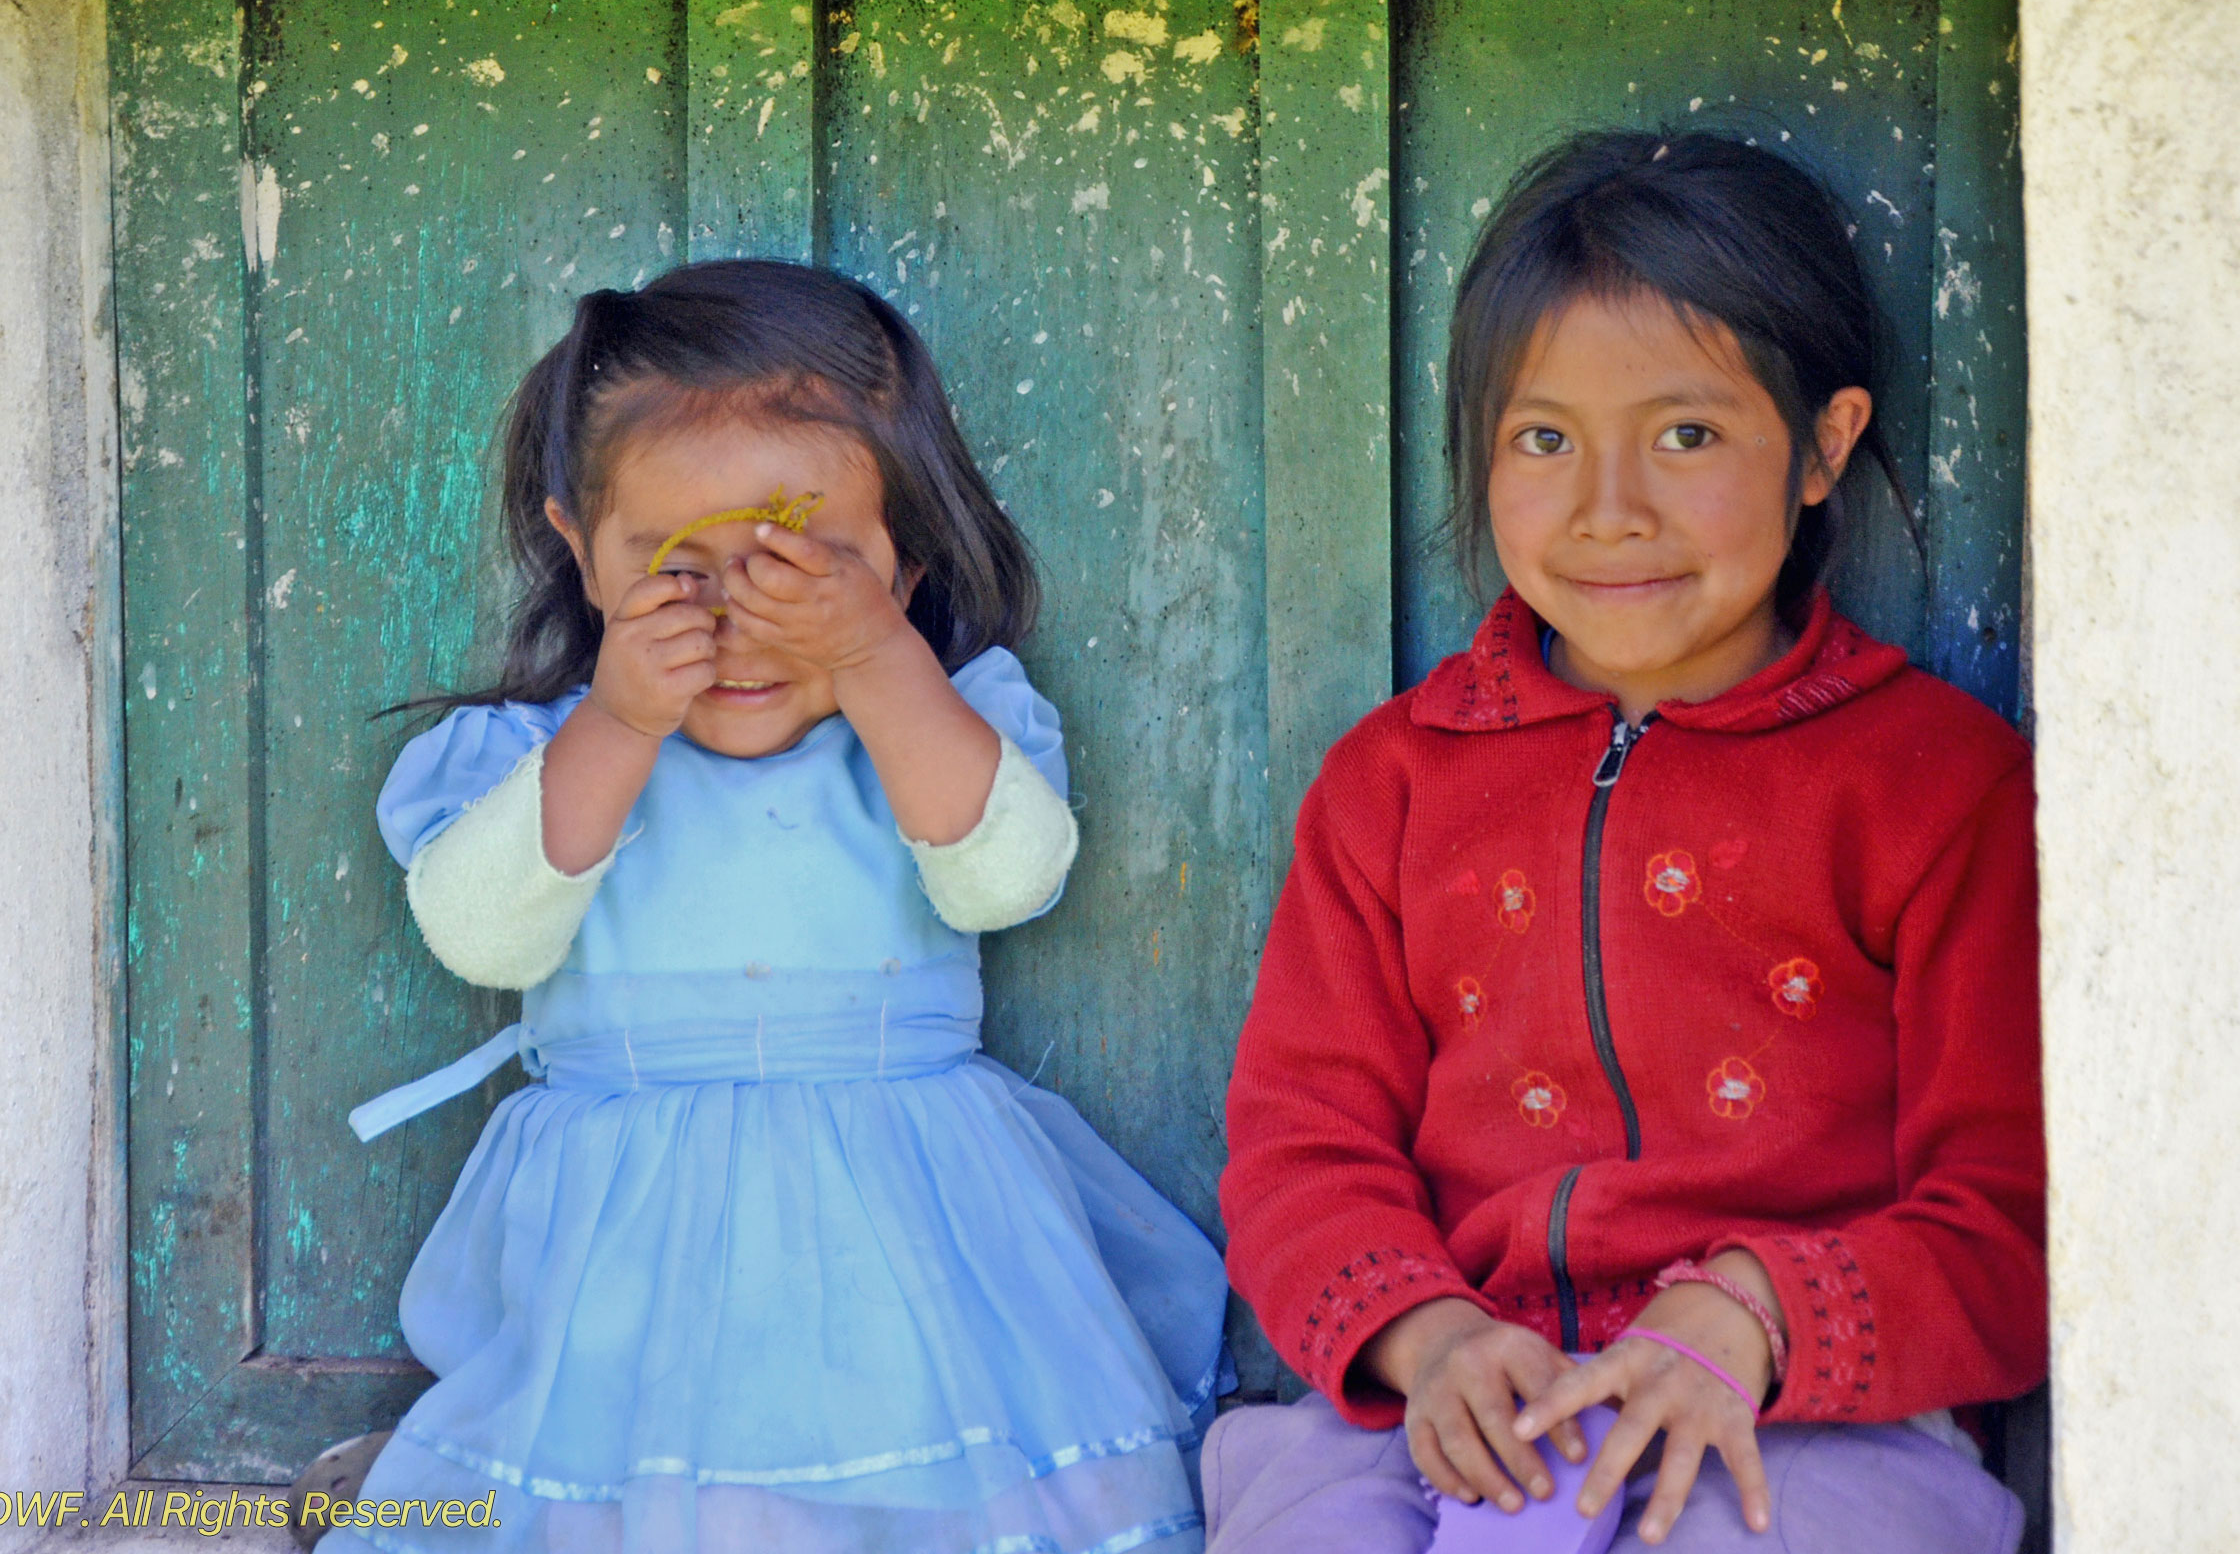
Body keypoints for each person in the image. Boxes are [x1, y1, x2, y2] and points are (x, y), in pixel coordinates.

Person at [1205, 132, 2042, 1553]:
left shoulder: (1937, 787)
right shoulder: (1393, 783)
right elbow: (1302, 1147)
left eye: (1688, 435)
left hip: (1806, 1424)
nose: (1610, 511)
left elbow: (2011, 1215)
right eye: (1544, 440)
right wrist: (1424, 1338)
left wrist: (1755, 1312)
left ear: (1827, 445)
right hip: (1451, 1407)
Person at [315, 260, 1227, 1554]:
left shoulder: (929, 732)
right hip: (635, 1235)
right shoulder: (530, 761)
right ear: (578, 549)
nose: (741, 618)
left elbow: (1007, 877)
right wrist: (623, 720)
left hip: (909, 1215)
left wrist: (876, 664)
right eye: (675, 566)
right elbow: (485, 933)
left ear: (903, 564)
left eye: (810, 565)